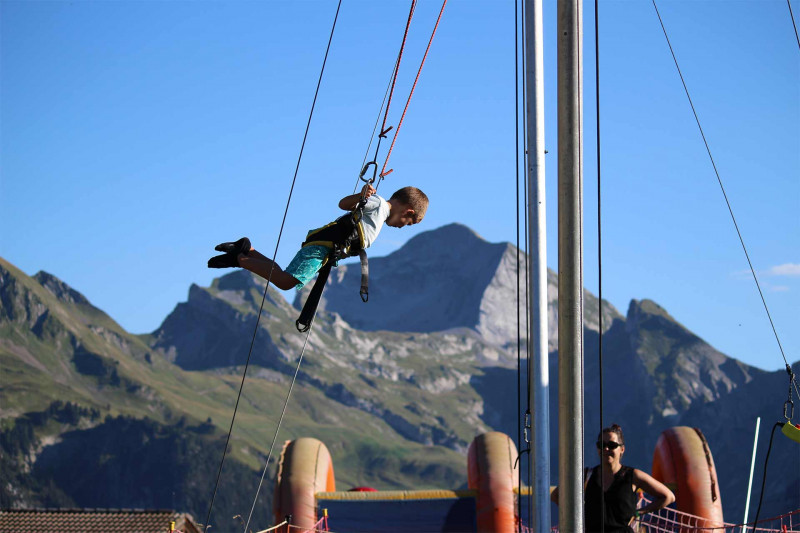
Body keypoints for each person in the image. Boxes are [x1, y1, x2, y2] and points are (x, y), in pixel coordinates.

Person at [207, 184, 428, 290]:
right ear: (409, 211)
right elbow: (344, 204)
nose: (403, 226)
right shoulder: (379, 205)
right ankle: (239, 258)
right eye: (409, 222)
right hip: (322, 247)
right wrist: (361, 196)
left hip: (324, 249)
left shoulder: (380, 214)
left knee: (283, 274)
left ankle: (248, 250)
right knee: (286, 282)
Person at [551, 424, 675, 533]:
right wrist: (574, 516)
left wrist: (640, 512)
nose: (606, 449)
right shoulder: (585, 476)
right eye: (602, 445)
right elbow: (556, 495)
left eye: (611, 445)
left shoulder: (633, 476)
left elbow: (668, 496)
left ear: (622, 449)